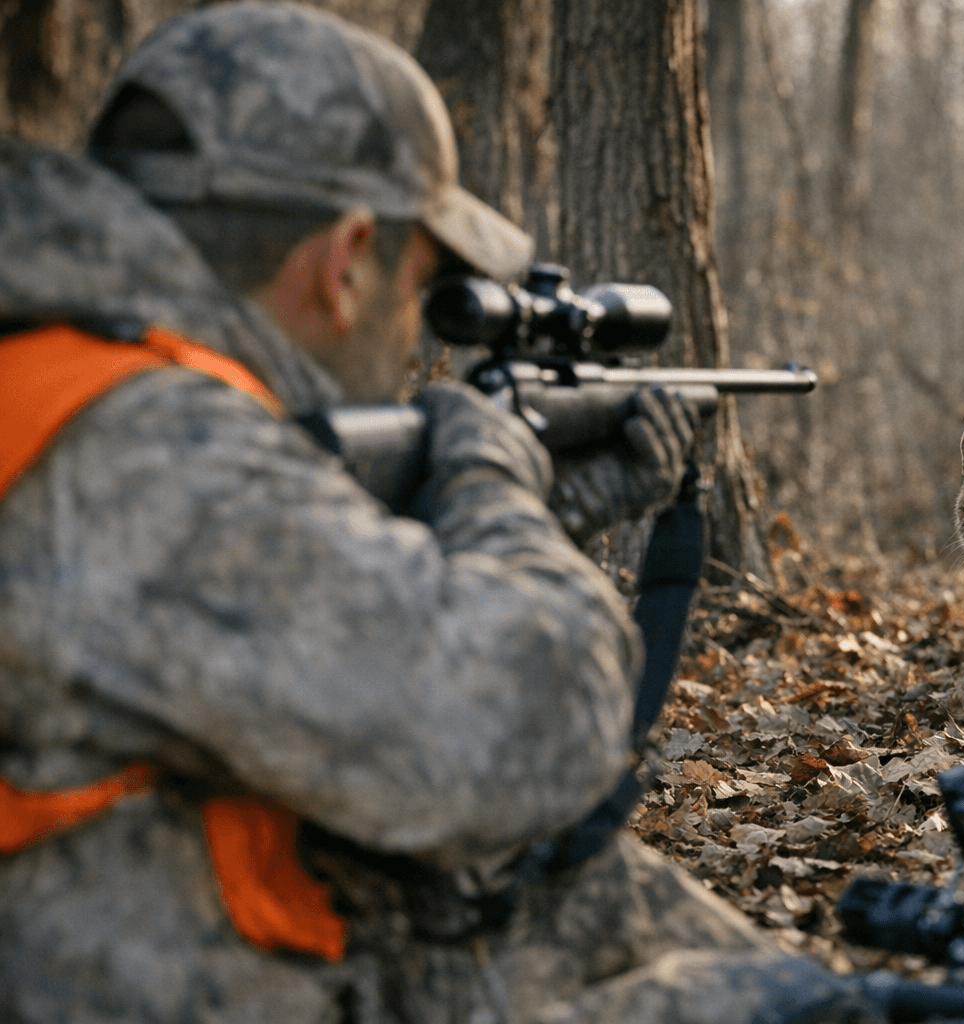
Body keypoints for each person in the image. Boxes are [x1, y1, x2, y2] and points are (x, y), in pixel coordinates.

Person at [0, 4, 882, 1022]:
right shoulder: (149, 447)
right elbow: (532, 734)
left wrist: (534, 513)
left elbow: (317, 670)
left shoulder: (64, 383)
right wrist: (490, 488)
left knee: (581, 891)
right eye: (426, 287)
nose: (419, 329)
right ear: (346, 262)